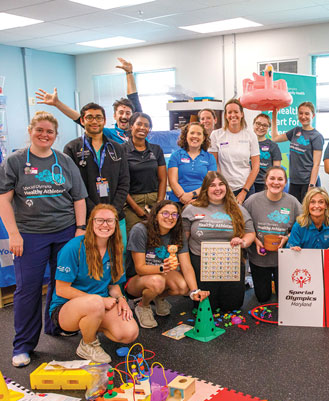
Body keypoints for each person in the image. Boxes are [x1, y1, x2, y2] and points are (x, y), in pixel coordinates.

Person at [0, 111, 88, 367]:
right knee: (27, 289)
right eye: (40, 130)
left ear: (56, 135)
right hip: (29, 235)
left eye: (50, 132)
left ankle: (55, 325)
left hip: (64, 231)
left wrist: (80, 230)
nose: (44, 135)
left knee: (61, 282)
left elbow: (79, 198)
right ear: (30, 131)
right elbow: (4, 200)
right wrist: (13, 234)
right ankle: (23, 345)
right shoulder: (15, 161)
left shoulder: (64, 161)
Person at [50, 205, 139, 363]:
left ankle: (91, 326)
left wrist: (121, 299)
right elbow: (62, 289)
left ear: (116, 224)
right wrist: (100, 300)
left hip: (99, 305)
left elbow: (113, 285)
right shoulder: (73, 248)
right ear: (91, 223)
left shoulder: (115, 248)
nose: (105, 225)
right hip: (66, 309)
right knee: (95, 301)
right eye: (100, 220)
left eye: (109, 221)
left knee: (129, 333)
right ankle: (88, 343)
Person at [126, 200, 209, 328]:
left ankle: (158, 297)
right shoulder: (140, 230)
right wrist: (161, 267)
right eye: (165, 213)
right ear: (156, 215)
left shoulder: (177, 233)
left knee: (183, 286)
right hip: (135, 280)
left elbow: (186, 266)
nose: (170, 218)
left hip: (161, 273)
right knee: (157, 282)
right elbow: (139, 268)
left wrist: (194, 291)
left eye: (174, 214)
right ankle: (143, 305)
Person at [182, 172, 255, 311]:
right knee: (205, 306)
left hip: (231, 260)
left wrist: (243, 242)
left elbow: (250, 233)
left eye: (221, 184)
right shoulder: (191, 209)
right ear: (205, 189)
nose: (218, 188)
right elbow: (183, 240)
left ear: (226, 187)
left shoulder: (237, 209)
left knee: (232, 306)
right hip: (201, 261)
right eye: (212, 185)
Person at [35, 58, 142, 144]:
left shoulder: (139, 130)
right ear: (114, 116)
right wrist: (58, 104)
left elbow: (133, 98)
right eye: (121, 113)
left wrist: (129, 74)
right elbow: (79, 118)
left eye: (128, 113)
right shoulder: (108, 133)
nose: (124, 116)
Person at [243, 166, 301, 303]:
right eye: (272, 178)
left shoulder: (292, 202)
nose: (276, 182)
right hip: (259, 258)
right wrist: (255, 240)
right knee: (263, 297)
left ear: (285, 182)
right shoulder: (252, 201)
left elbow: (302, 227)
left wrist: (287, 237)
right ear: (266, 181)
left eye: (280, 179)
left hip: (283, 258)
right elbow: (243, 226)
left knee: (284, 298)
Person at [63, 102, 130, 221]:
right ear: (82, 121)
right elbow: (72, 186)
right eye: (89, 117)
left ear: (104, 121)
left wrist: (114, 210)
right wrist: (94, 212)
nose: (94, 121)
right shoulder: (72, 148)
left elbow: (124, 181)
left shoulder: (117, 148)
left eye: (98, 117)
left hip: (116, 215)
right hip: (86, 216)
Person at [123, 113, 167, 235]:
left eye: (146, 125)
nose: (142, 128)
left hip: (154, 199)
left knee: (156, 237)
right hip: (132, 201)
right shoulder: (121, 150)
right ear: (131, 126)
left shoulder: (156, 149)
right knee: (135, 237)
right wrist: (137, 209)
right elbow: (120, 183)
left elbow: (163, 179)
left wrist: (159, 204)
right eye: (139, 124)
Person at [209, 99, 260, 204]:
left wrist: (244, 191)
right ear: (226, 116)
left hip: (246, 188)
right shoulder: (216, 135)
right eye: (229, 112)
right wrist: (223, 188)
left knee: (246, 219)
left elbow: (255, 167)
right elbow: (215, 164)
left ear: (241, 114)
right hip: (224, 189)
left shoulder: (250, 135)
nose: (233, 115)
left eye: (236, 112)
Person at [271, 102, 324, 201]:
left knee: (307, 213)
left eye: (307, 114)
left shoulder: (316, 136)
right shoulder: (296, 131)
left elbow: (316, 164)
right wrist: (274, 116)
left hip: (308, 182)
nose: (303, 116)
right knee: (295, 213)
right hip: (294, 181)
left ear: (313, 115)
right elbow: (275, 138)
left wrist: (312, 185)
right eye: (301, 113)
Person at [168, 122, 217, 205]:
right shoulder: (176, 156)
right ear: (186, 136)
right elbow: (172, 181)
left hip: (202, 200)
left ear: (204, 138)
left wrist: (192, 195)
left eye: (199, 134)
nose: (195, 136)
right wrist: (183, 197)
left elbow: (210, 183)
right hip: (178, 200)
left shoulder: (210, 158)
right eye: (192, 133)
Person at [252, 114, 282, 192]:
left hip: (265, 185)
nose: (261, 127)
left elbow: (277, 170)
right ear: (253, 124)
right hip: (247, 184)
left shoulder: (273, 146)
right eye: (258, 123)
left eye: (265, 125)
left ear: (269, 128)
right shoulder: (246, 143)